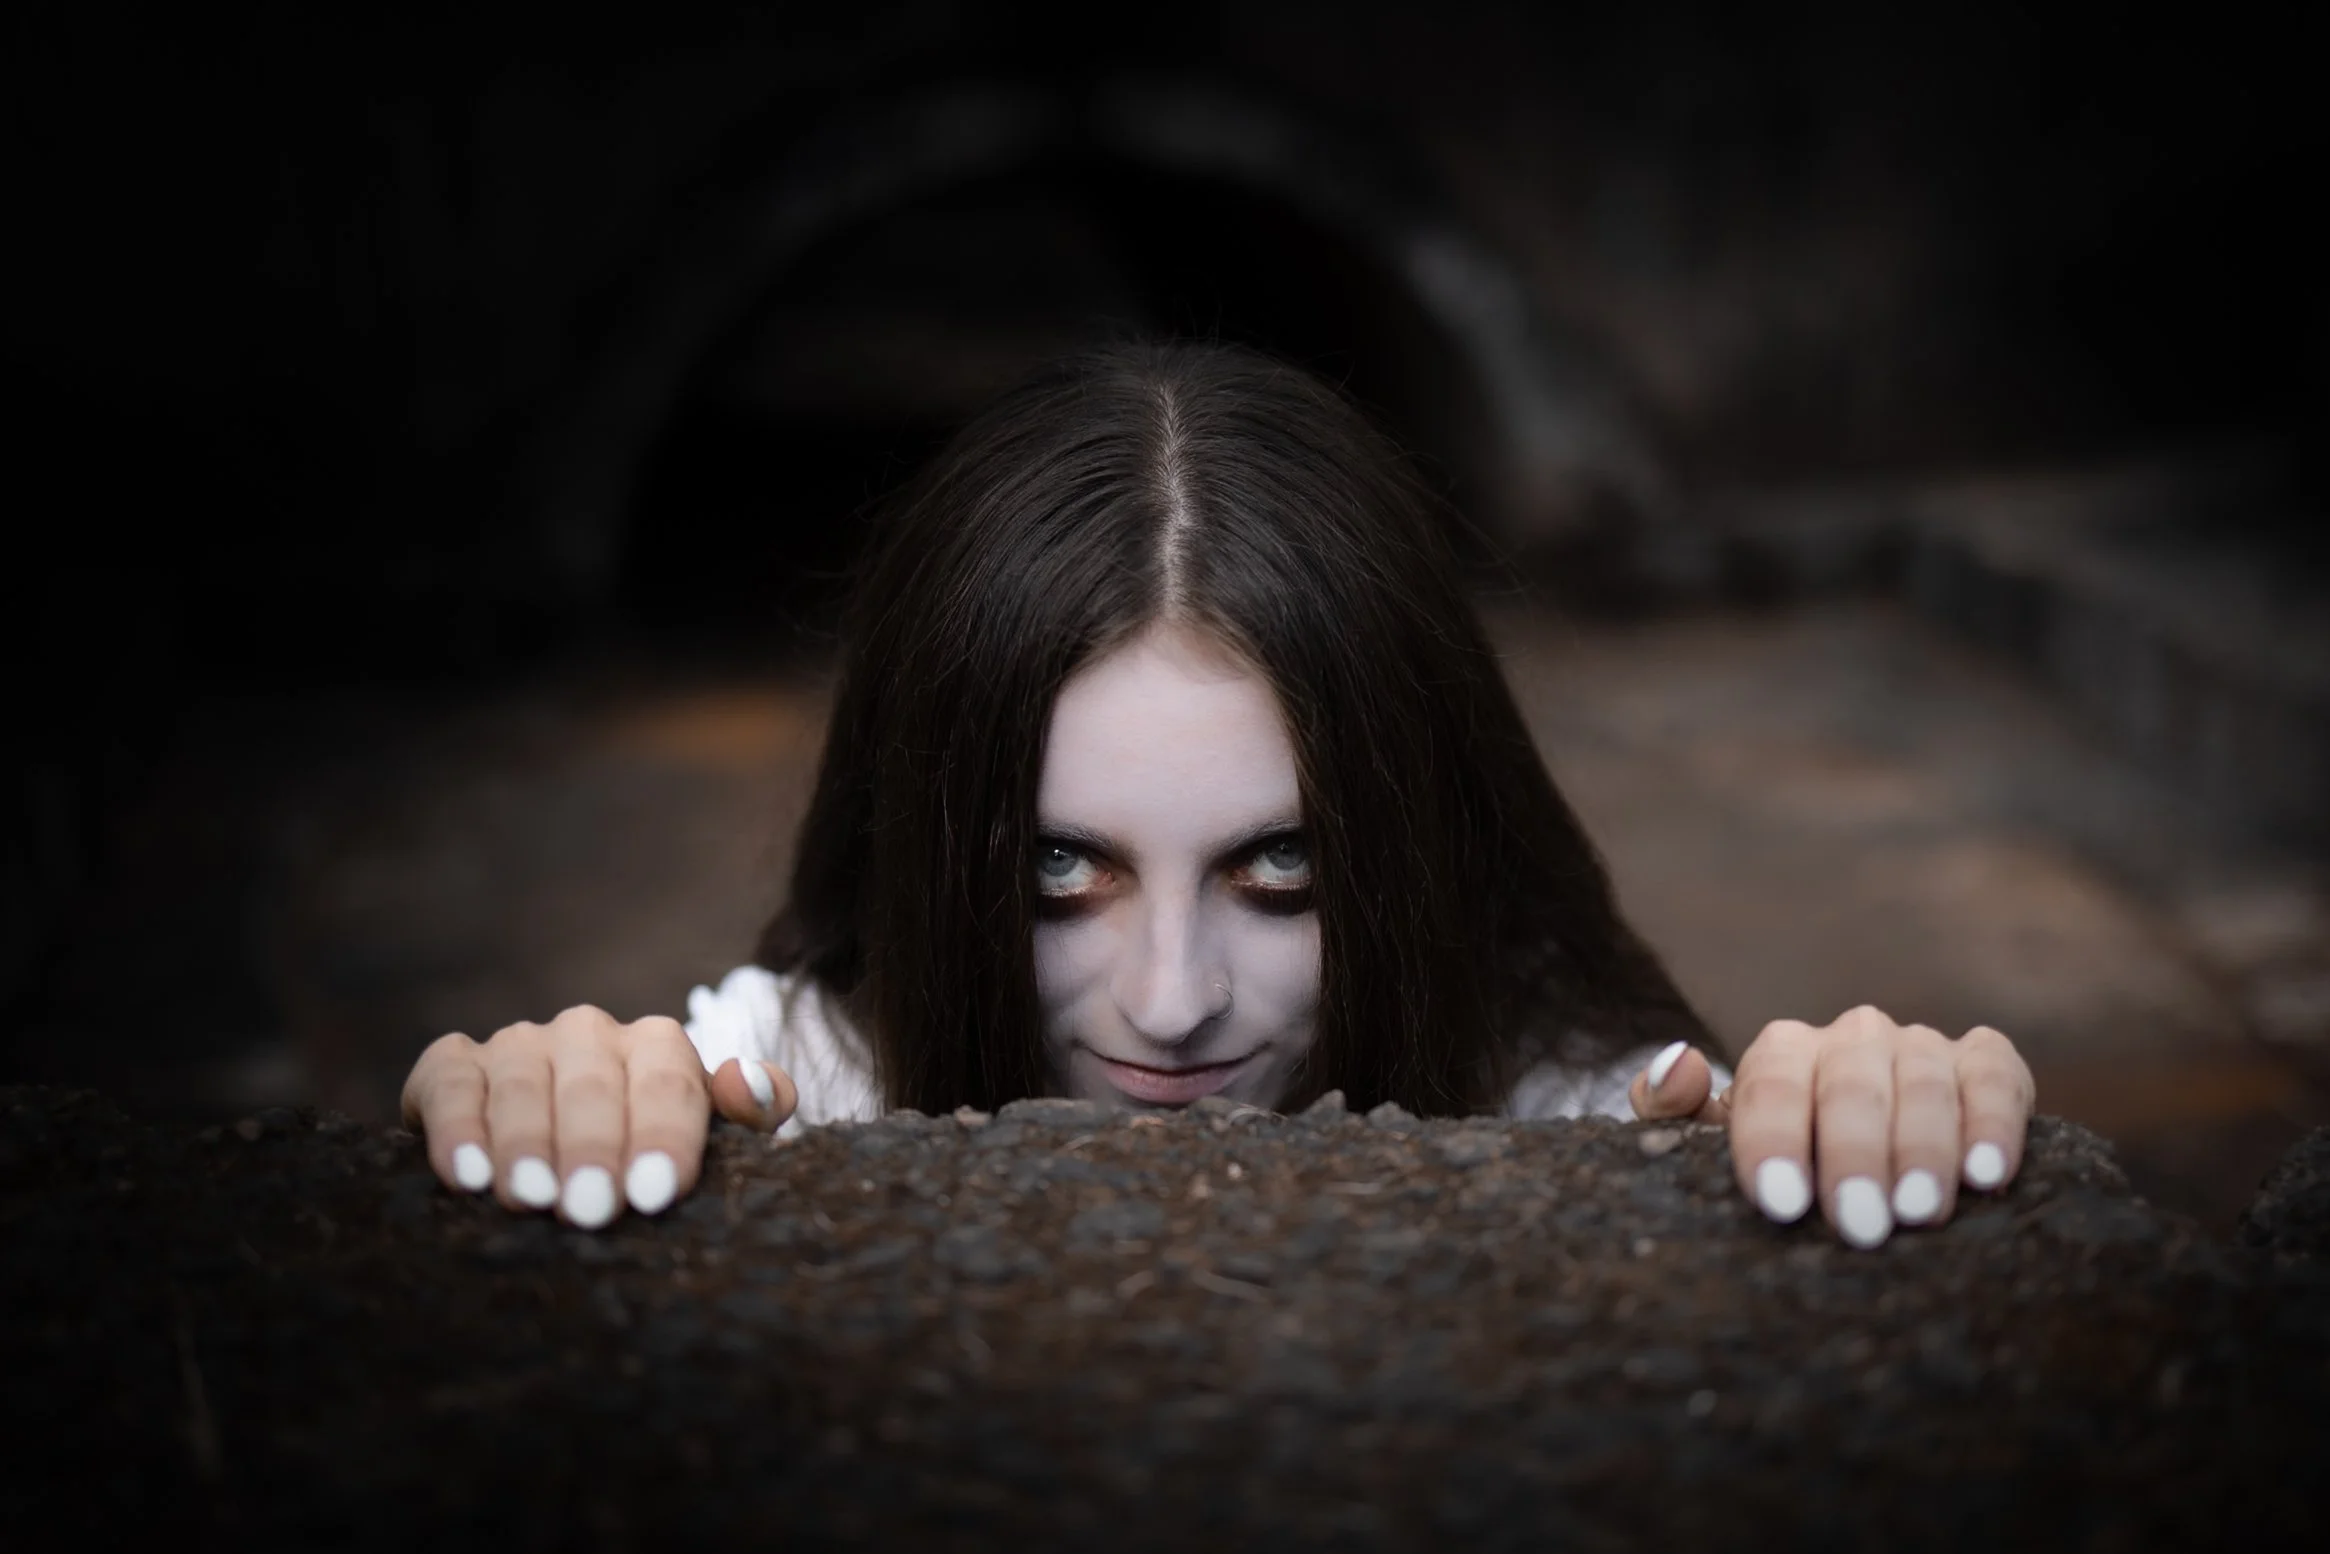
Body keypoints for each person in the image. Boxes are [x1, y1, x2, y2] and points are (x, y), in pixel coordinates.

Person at [401, 340, 2034, 1252]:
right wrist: (566, 1094)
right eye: (1057, 866)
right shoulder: (801, 1075)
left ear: (1414, 836)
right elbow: (629, 1092)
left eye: (1282, 869)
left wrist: (1865, 1102)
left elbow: (1767, 1133)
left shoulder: (1574, 1101)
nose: (1170, 1005)